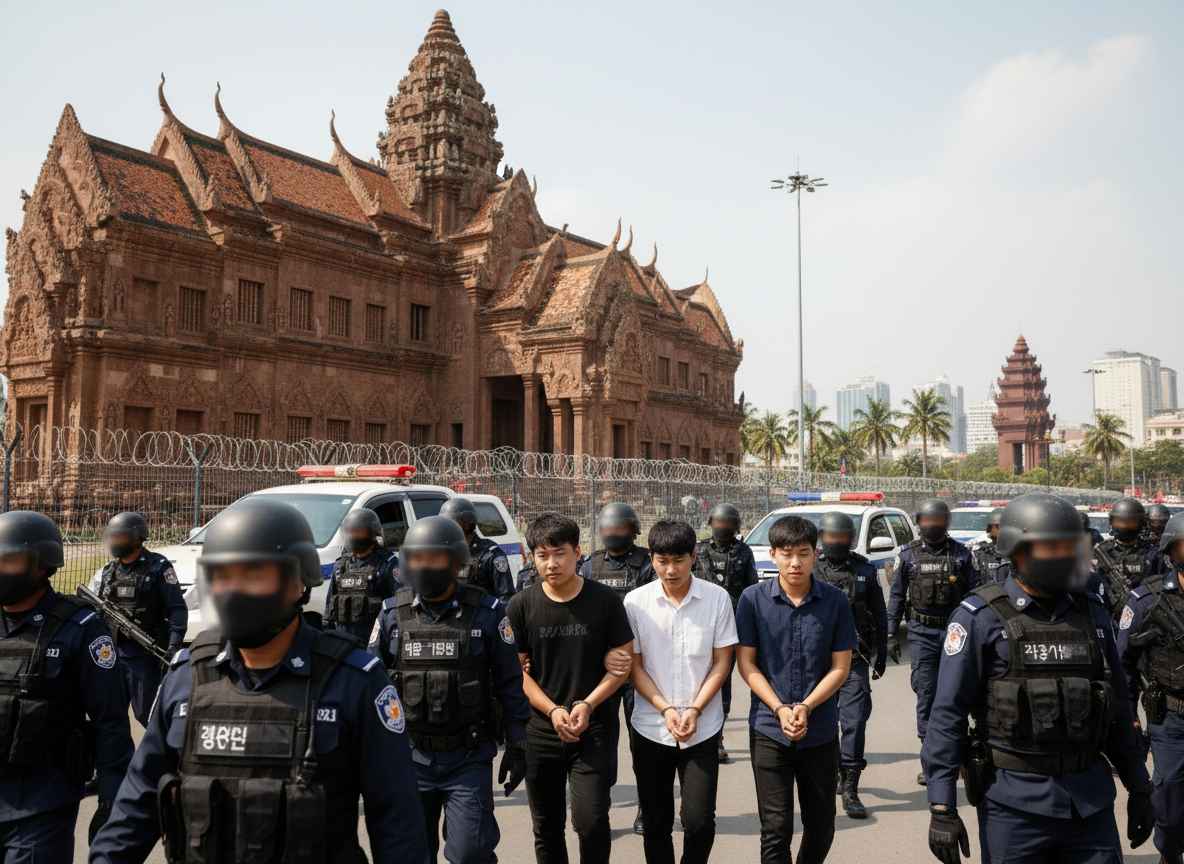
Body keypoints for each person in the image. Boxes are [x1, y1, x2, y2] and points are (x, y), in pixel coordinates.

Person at [89, 497, 430, 864]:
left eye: (253, 576)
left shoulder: (355, 682)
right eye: (222, 577)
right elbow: (135, 808)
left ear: (298, 582)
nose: (233, 591)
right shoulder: (185, 676)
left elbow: (397, 826)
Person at [921, 493, 1154, 864]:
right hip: (1013, 806)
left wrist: (1140, 786)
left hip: (1090, 804)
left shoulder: (1092, 613)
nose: (1065, 557)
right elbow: (947, 715)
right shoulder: (979, 617)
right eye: (1052, 548)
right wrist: (941, 806)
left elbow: (1117, 708)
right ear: (1017, 550)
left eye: (1070, 547)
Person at [368, 516, 530, 864]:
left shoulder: (487, 614)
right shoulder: (390, 615)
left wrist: (518, 743)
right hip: (408, 759)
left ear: (457, 562)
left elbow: (509, 682)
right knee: (409, 854)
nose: (425, 567)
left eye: (435, 559)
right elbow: (373, 687)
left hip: (467, 758)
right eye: (417, 560)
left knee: (471, 853)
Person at [0, 510, 134, 859]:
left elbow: (111, 721)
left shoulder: (80, 628)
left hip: (40, 807)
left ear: (42, 564)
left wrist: (112, 800)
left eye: (7, 560)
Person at [506, 513, 634, 864]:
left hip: (593, 727)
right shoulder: (520, 606)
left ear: (578, 553)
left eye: (560, 553)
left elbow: (623, 665)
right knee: (546, 827)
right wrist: (553, 710)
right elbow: (517, 672)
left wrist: (587, 705)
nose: (552, 563)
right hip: (541, 730)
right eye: (542, 555)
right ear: (533, 558)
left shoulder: (605, 601)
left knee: (591, 822)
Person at [736, 515, 856, 864]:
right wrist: (779, 708)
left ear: (816, 554)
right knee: (776, 831)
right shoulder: (752, 600)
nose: (795, 562)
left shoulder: (835, 601)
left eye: (803, 553)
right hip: (769, 730)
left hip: (818, 731)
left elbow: (841, 667)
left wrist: (805, 706)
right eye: (786, 553)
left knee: (822, 828)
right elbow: (746, 664)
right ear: (772, 555)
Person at [626, 520, 737, 864]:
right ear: (651, 558)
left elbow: (722, 663)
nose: (670, 570)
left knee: (699, 821)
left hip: (701, 729)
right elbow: (635, 666)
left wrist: (694, 710)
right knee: (655, 824)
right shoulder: (635, 602)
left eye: (678, 560)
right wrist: (665, 709)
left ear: (693, 556)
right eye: (661, 560)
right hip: (650, 727)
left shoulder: (716, 599)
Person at [885, 497, 977, 785]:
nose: (933, 526)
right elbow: (897, 596)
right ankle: (932, 761)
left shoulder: (962, 555)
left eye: (938, 521)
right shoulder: (908, 555)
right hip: (922, 632)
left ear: (946, 523)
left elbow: (977, 594)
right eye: (927, 521)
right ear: (919, 523)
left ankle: (959, 756)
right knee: (926, 695)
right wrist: (889, 633)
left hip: (955, 633)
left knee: (956, 693)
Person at [580, 501, 655, 832]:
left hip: (638, 666)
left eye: (620, 529)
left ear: (634, 531)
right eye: (607, 530)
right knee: (600, 744)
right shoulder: (589, 566)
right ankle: (600, 808)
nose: (613, 535)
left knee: (643, 742)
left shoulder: (647, 565)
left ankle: (646, 806)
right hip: (601, 669)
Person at [1117, 511, 1184, 864]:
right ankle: (1170, 853)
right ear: (1171, 550)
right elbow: (1122, 666)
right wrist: (1128, 719)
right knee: (1170, 804)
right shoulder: (1146, 600)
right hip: (1172, 719)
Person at [811, 511, 887, 820]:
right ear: (821, 537)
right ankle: (826, 778)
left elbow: (879, 613)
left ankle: (851, 787)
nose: (836, 542)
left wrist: (882, 650)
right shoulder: (810, 569)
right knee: (820, 724)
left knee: (854, 722)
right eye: (830, 537)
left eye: (842, 537)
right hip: (817, 661)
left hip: (855, 658)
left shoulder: (865, 570)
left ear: (851, 539)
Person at [93, 510, 187, 727]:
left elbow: (177, 608)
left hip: (144, 656)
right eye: (113, 536)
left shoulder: (158, 567)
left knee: (147, 714)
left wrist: (174, 643)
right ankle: (120, 760)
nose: (115, 541)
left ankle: (164, 756)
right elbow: (95, 608)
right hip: (111, 655)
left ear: (136, 537)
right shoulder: (109, 571)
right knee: (110, 716)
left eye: (120, 536)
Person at [692, 502, 758, 763]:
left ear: (736, 527)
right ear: (710, 524)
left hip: (730, 626)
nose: (722, 528)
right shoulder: (698, 550)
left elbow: (751, 588)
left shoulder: (744, 552)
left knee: (722, 680)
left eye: (728, 524)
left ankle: (716, 737)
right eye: (719, 524)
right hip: (700, 622)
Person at [323, 507, 399, 639]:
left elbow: (399, 608)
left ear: (373, 533)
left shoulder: (388, 565)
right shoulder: (340, 566)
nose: (354, 537)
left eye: (359, 532)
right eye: (350, 532)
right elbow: (329, 606)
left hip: (373, 643)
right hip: (343, 642)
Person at [1094, 497, 1164, 621]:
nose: (1125, 527)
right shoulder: (1103, 552)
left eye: (1131, 523)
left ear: (1141, 524)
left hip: (1146, 616)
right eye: (1120, 522)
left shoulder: (1152, 552)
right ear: (1111, 522)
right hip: (1110, 616)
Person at [440, 497, 516, 602]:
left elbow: (506, 597)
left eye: (452, 523)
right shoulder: (446, 553)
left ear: (466, 525)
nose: (447, 528)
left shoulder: (490, 554)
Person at [970, 508, 1007, 585]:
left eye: (1005, 526)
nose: (1001, 530)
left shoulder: (1018, 554)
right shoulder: (979, 555)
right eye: (997, 526)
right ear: (990, 528)